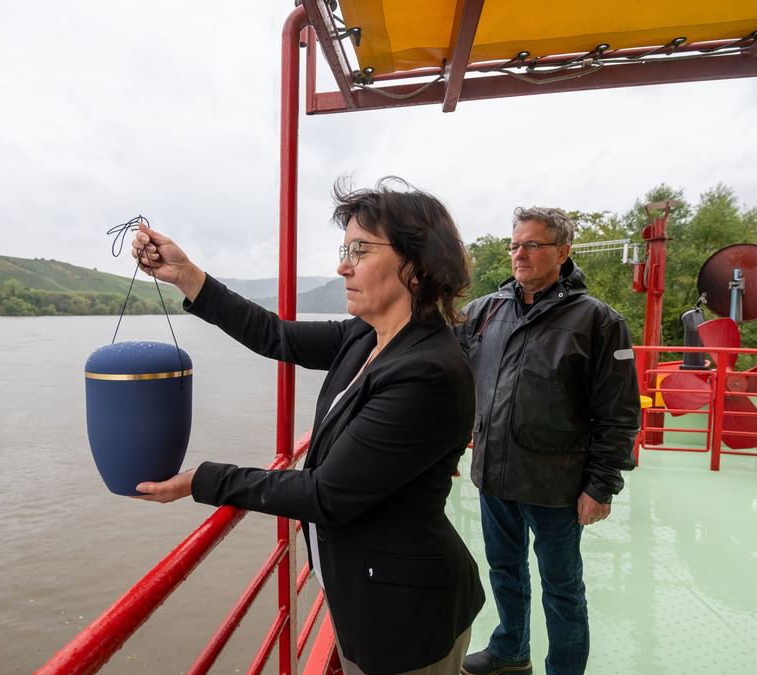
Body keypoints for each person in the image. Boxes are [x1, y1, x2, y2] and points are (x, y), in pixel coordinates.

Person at [131, 178, 485, 675]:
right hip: (366, 592)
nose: (342, 265)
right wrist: (187, 276)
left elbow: (325, 495)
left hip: (406, 618)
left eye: (359, 250)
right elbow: (274, 335)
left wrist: (201, 480)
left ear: (418, 265)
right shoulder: (368, 335)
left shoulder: (428, 372)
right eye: (345, 249)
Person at [454, 207, 640, 675]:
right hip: (495, 472)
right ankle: (510, 651)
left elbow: (619, 411)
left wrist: (601, 485)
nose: (519, 254)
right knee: (504, 572)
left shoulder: (598, 320)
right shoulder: (485, 311)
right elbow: (436, 354)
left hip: (557, 482)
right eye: (514, 244)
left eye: (531, 245)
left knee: (562, 589)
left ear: (563, 251)